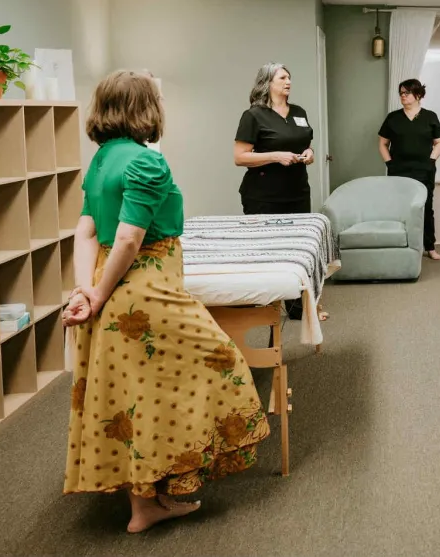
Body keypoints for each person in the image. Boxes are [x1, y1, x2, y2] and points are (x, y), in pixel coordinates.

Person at [63, 70, 269, 533]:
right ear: (146, 109)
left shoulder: (100, 161)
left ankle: (145, 505)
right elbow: (130, 240)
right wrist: (96, 293)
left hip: (108, 288)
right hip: (144, 290)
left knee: (137, 395)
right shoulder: (145, 162)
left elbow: (87, 231)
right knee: (223, 362)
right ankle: (166, 485)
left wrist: (87, 290)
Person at [233, 63, 314, 215]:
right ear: (267, 83)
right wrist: (276, 156)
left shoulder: (299, 112)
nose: (288, 82)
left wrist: (309, 151)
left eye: (289, 78)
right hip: (264, 197)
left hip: (298, 194)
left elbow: (305, 144)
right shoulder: (253, 115)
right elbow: (239, 157)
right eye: (283, 78)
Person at [378, 78, 440, 260]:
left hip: (424, 170)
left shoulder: (430, 117)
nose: (403, 96)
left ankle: (429, 246)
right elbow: (383, 143)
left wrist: (431, 160)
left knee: (426, 207)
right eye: (401, 93)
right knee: (399, 207)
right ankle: (401, 244)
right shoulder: (393, 118)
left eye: (406, 93)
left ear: (418, 95)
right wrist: (389, 163)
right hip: (398, 170)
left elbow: (439, 142)